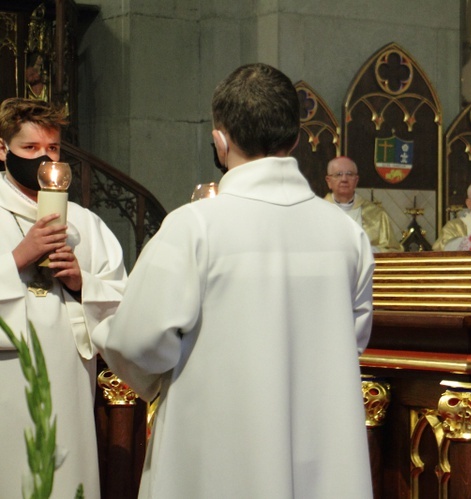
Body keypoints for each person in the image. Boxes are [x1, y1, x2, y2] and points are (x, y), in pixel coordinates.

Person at [92, 63, 375, 498]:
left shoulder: (193, 227)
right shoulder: (347, 234)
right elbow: (351, 340)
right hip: (321, 455)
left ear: (220, 140)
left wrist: (108, 330)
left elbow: (136, 343)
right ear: (296, 139)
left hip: (213, 456)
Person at [0, 98, 127, 498]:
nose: (43, 159)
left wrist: (80, 282)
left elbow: (123, 299)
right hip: (9, 379)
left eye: (52, 149)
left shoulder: (85, 223)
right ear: (2, 151)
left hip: (70, 383)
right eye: (30, 149)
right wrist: (20, 256)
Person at [324, 156, 402, 252]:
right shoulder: (315, 213)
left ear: (356, 180)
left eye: (349, 174)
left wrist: (372, 251)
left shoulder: (377, 215)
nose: (344, 179)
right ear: (329, 181)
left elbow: (394, 252)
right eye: (338, 174)